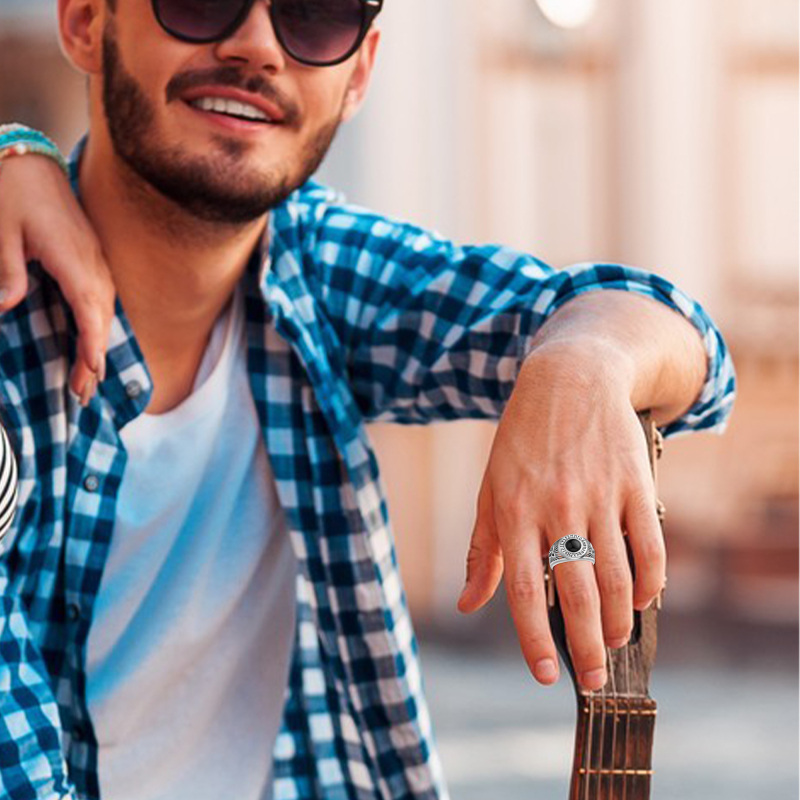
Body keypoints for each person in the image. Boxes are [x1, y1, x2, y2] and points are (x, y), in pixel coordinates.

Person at [0, 1, 735, 799]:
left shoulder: (316, 269)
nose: (256, 46)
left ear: (359, 73)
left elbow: (691, 351)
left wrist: (580, 361)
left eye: (317, 14)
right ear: (83, 22)